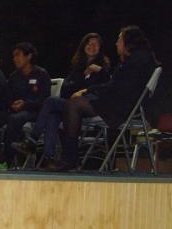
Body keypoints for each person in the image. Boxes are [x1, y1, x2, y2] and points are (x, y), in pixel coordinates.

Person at [50, 25, 158, 171]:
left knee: (74, 105)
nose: (117, 43)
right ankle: (69, 158)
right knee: (70, 104)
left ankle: (69, 159)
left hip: (122, 107)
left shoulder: (137, 61)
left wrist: (88, 90)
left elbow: (118, 86)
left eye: (119, 40)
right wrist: (88, 91)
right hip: (120, 102)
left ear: (129, 42)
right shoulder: (136, 59)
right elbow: (116, 84)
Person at [11, 32, 110, 167]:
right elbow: (65, 90)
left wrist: (94, 76)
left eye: (96, 44)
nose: (92, 46)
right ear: (83, 46)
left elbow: (105, 88)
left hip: (89, 106)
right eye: (89, 43)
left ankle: (33, 140)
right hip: (71, 106)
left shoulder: (103, 68)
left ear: (100, 48)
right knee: (53, 115)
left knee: (51, 101)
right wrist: (81, 79)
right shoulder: (77, 67)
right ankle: (49, 157)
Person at [0, 42, 51, 169]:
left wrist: (25, 104)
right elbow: (7, 97)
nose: (15, 59)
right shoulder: (14, 76)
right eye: (14, 56)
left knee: (15, 119)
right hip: (15, 110)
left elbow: (45, 100)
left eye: (18, 55)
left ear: (29, 56)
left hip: (35, 111)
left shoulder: (41, 74)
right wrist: (12, 104)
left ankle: (7, 160)